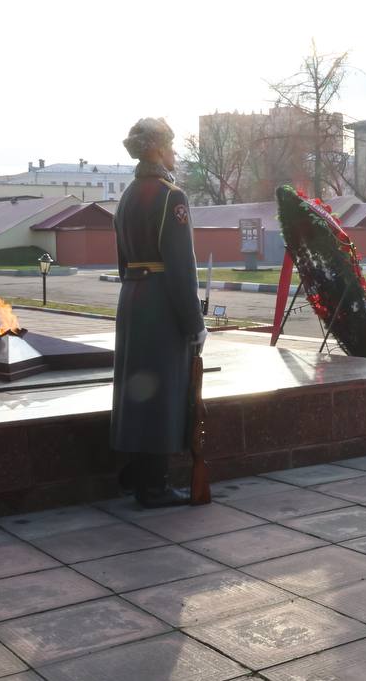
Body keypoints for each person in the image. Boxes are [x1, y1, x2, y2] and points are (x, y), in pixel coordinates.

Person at [112, 117, 207, 508]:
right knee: (162, 391)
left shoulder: (128, 195)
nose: (174, 154)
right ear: (155, 149)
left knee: (136, 390)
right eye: (170, 146)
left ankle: (135, 473)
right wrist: (194, 323)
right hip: (162, 303)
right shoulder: (171, 196)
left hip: (132, 297)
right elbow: (181, 268)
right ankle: (154, 485)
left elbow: (122, 260)